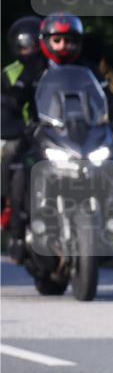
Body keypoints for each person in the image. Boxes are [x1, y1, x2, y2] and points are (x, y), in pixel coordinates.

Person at [2, 12, 113, 262]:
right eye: (57, 40)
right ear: (46, 41)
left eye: (70, 40)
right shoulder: (34, 68)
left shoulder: (89, 70)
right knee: (21, 167)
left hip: (84, 135)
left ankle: (107, 229)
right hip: (44, 133)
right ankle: (18, 233)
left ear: (78, 42)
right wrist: (9, 116)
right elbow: (15, 98)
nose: (63, 46)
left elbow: (108, 100)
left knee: (112, 168)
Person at [2, 16, 42, 231]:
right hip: (20, 130)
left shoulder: (52, 68)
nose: (30, 52)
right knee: (9, 152)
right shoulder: (10, 73)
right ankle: (6, 202)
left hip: (50, 127)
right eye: (24, 48)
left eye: (34, 46)